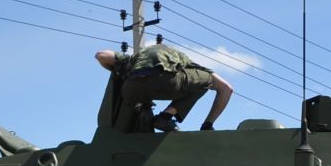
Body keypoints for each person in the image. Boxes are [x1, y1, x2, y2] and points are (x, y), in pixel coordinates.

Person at [95, 44, 234, 133]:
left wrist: (118, 70)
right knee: (206, 81)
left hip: (131, 89)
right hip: (166, 81)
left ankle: (145, 118)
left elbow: (100, 55)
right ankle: (166, 116)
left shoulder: (133, 59)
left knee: (140, 94)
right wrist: (207, 124)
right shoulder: (185, 61)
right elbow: (227, 88)